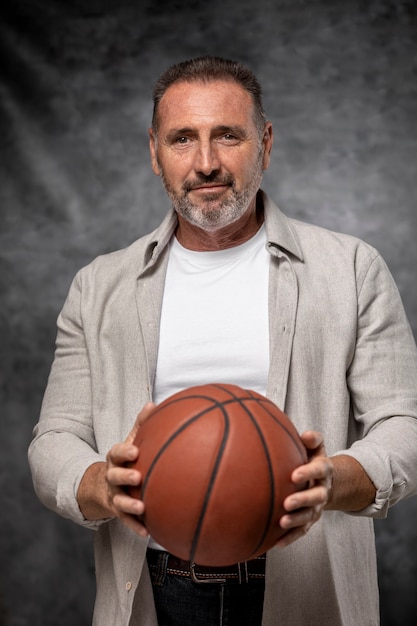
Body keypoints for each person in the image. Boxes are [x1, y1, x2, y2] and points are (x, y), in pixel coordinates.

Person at [29, 56, 417, 626]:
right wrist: (101, 485)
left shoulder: (352, 268)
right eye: (182, 138)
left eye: (227, 136)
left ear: (264, 143)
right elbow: (53, 439)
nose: (206, 163)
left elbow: (406, 424)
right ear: (154, 152)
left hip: (305, 591)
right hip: (153, 592)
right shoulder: (98, 286)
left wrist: (332, 479)